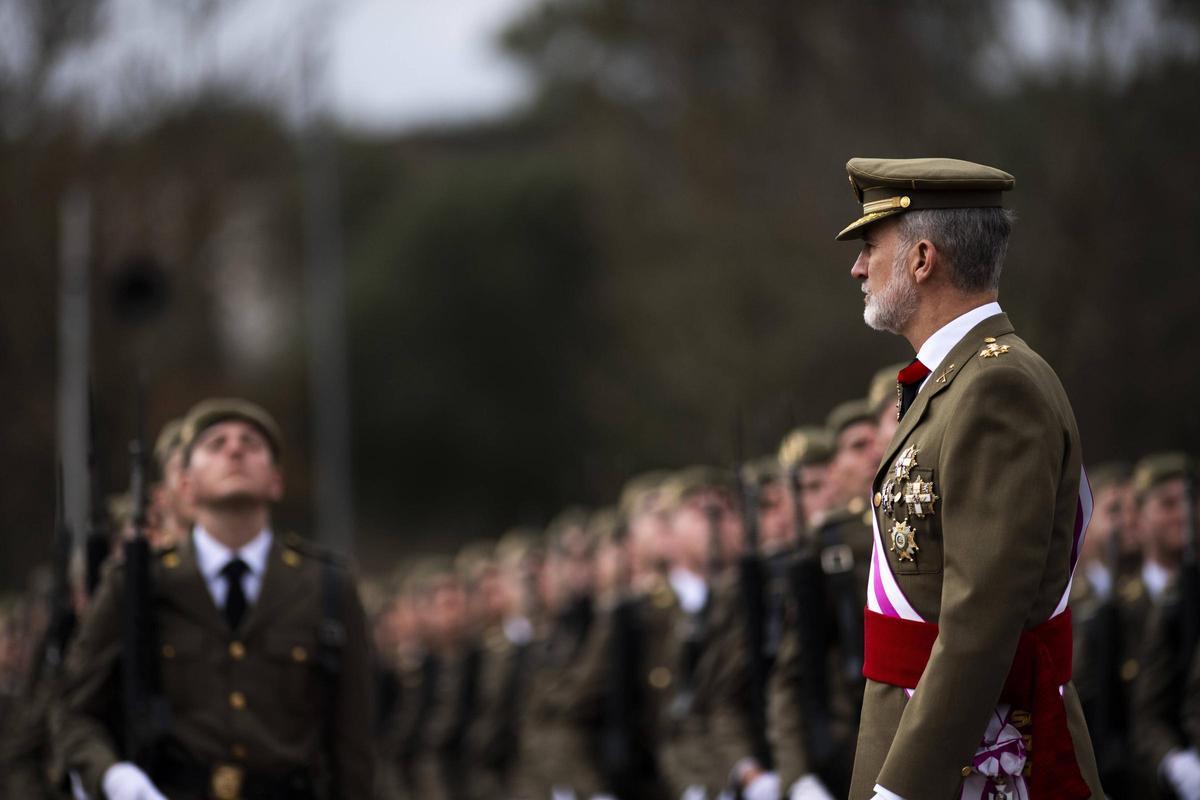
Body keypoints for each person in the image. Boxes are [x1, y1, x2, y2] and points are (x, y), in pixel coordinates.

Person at [837, 157, 1102, 799]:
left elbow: (981, 620)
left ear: (923, 259)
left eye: (871, 246)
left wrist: (903, 787)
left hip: (973, 763)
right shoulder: (960, 381)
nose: (858, 268)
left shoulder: (996, 388)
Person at [54, 398, 374, 800]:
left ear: (276, 481)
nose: (235, 449)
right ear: (185, 485)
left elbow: (353, 744)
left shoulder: (327, 586)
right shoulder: (139, 584)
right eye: (215, 444)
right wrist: (113, 776)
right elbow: (75, 712)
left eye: (252, 444)